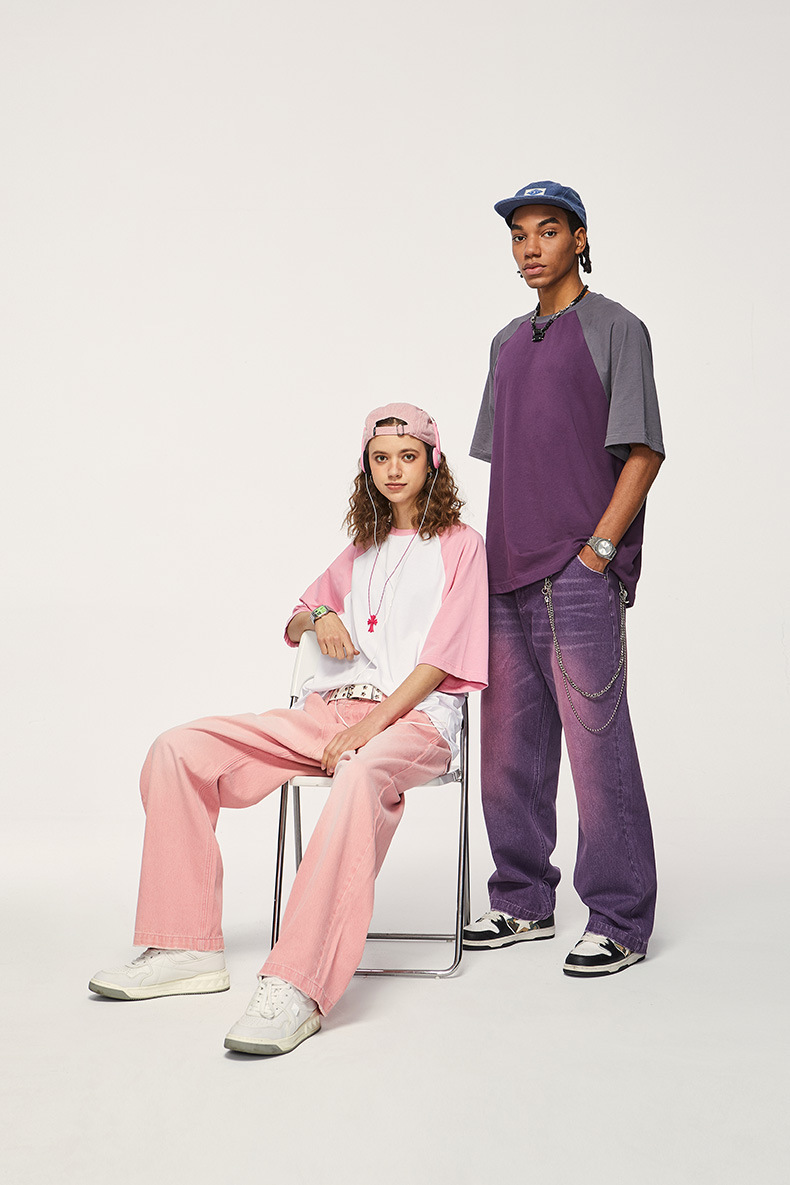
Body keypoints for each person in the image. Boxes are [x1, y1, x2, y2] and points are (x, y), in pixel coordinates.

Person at [89, 402, 488, 1053]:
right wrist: (323, 615)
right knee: (178, 750)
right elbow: (299, 615)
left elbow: (443, 659)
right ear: (367, 466)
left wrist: (370, 728)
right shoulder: (360, 550)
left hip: (417, 721)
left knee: (360, 775)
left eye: (407, 456)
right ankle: (186, 947)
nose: (393, 469)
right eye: (380, 458)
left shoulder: (461, 546)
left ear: (432, 463)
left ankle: (297, 982)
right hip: (330, 714)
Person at [464, 181, 665, 976]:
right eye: (519, 236)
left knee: (595, 748)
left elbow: (643, 450)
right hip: (504, 575)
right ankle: (522, 900)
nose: (530, 248)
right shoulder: (506, 342)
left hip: (578, 574)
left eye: (547, 231)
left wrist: (600, 551)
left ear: (579, 238)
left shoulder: (618, 328)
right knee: (508, 751)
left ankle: (619, 918)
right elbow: (511, 459)